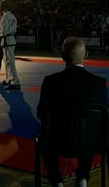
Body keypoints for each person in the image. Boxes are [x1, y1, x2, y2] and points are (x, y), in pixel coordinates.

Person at [37, 37, 108, 187]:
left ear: (62, 56)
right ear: (86, 55)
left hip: (57, 142)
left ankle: (56, 180)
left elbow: (41, 114)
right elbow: (103, 117)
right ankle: (83, 177)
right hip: (91, 144)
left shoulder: (50, 83)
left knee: (45, 135)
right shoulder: (99, 84)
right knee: (91, 129)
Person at [0, 0, 20, 90]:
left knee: (10, 61)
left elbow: (3, 31)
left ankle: (15, 81)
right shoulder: (12, 15)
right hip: (10, 40)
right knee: (7, 61)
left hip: (8, 40)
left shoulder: (5, 17)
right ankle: (9, 79)